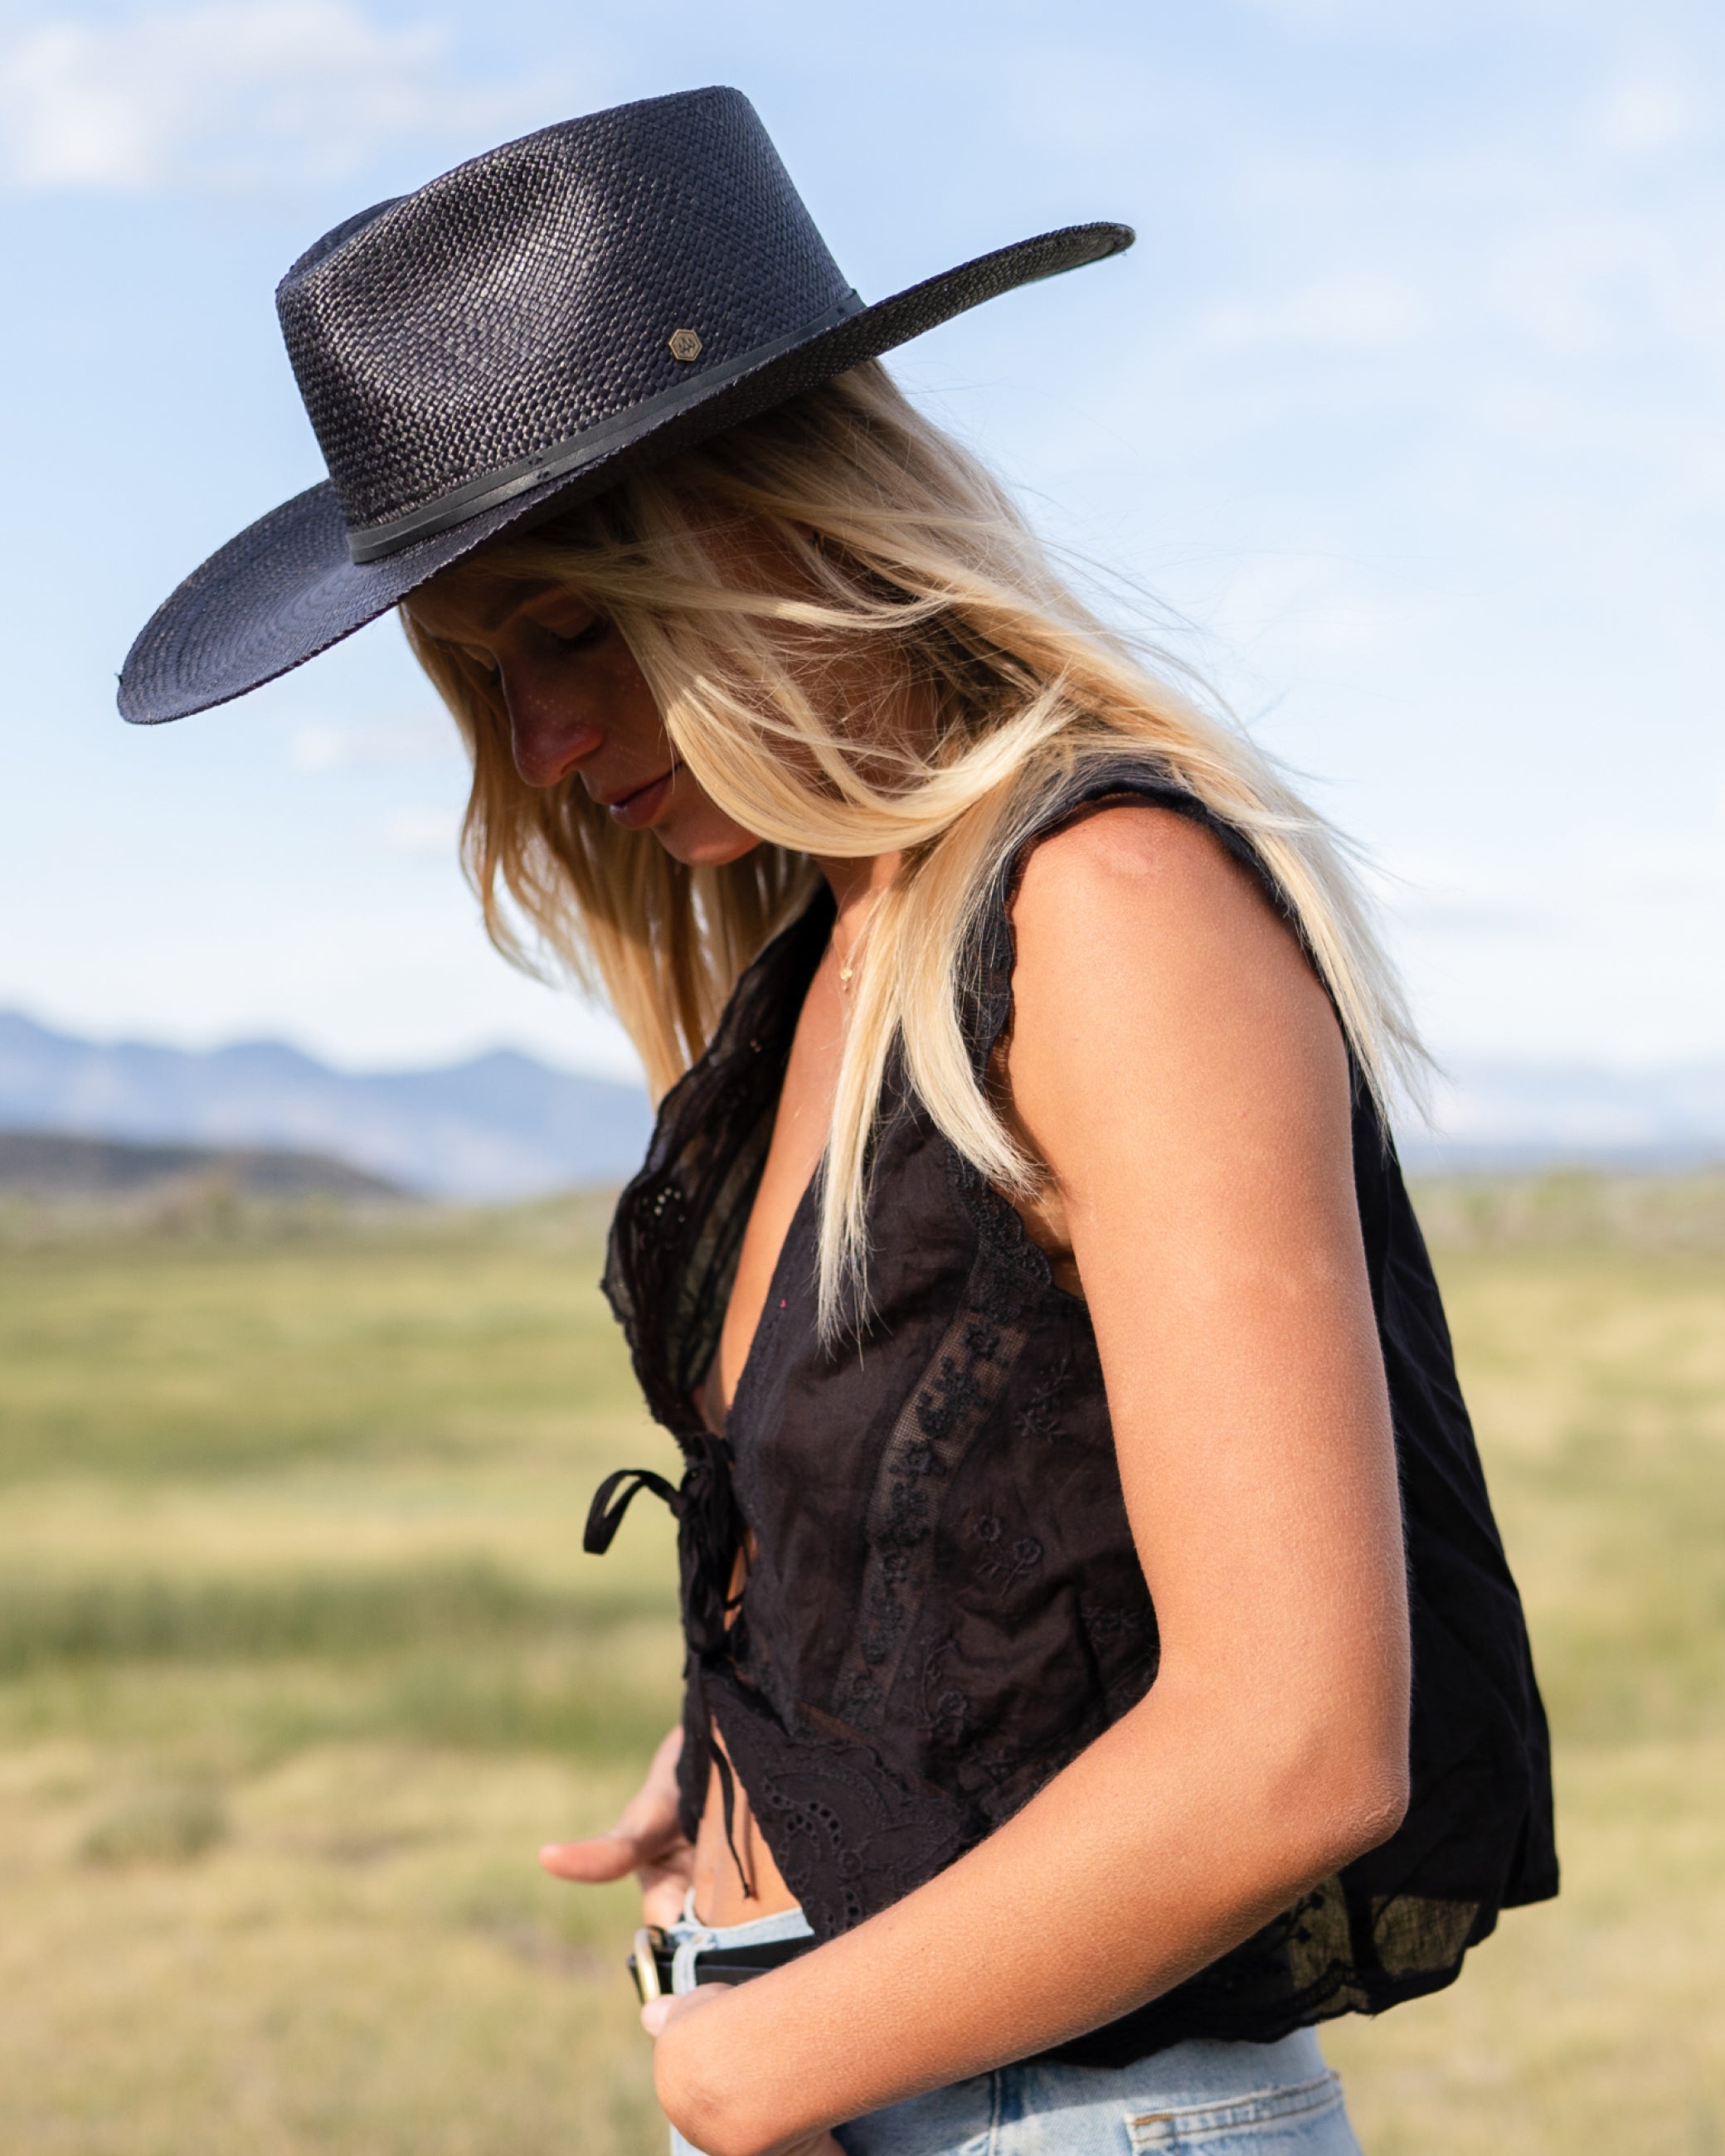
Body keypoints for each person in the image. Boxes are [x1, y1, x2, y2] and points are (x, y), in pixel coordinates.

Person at [120, 87, 1556, 2156]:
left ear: (786, 526)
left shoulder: (1105, 910)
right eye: (481, 673)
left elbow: (1297, 1741)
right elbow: (990, 1520)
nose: (537, 741)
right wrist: (773, 1745)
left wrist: (743, 2065)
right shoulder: (847, 945)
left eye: (571, 627)